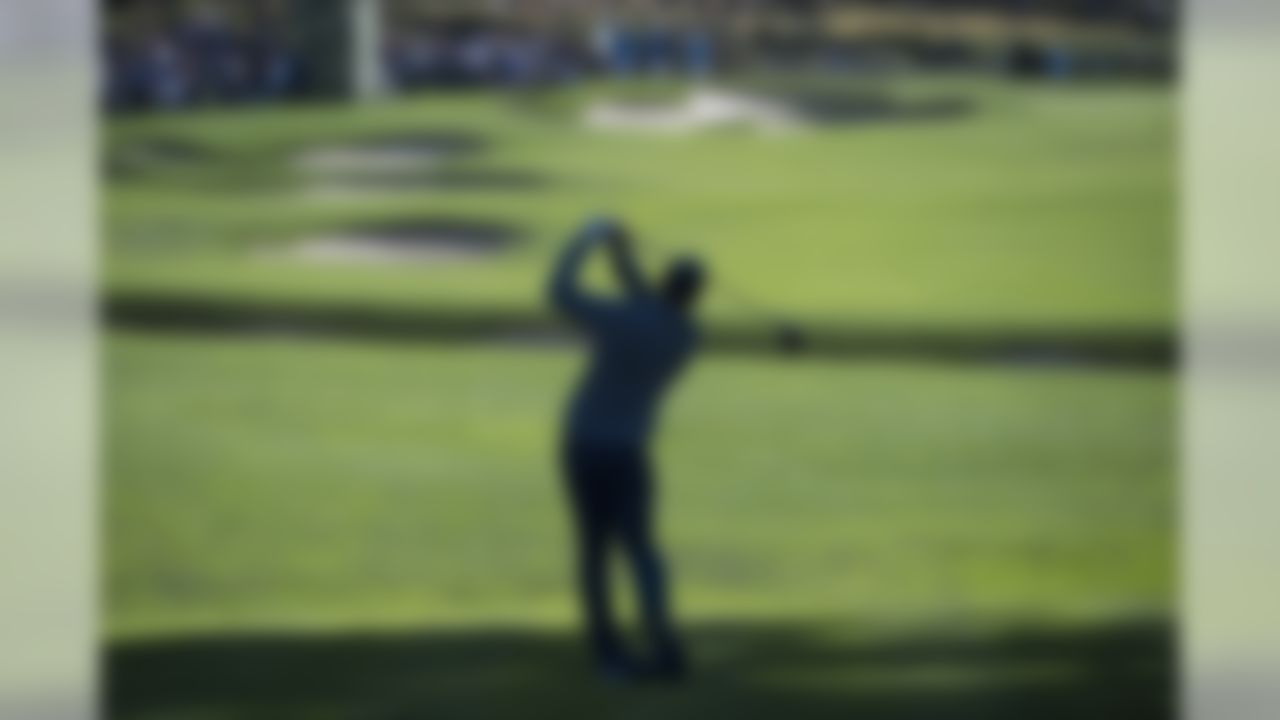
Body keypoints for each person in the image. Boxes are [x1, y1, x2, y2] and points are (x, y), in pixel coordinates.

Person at [548, 217, 707, 682]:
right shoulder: (685, 336)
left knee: (594, 551)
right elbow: (646, 297)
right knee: (641, 548)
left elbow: (559, 291)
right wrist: (621, 255)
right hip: (630, 452)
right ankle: (663, 642)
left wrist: (587, 239)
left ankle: (609, 655)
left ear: (666, 284)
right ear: (694, 296)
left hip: (584, 445)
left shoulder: (627, 318)